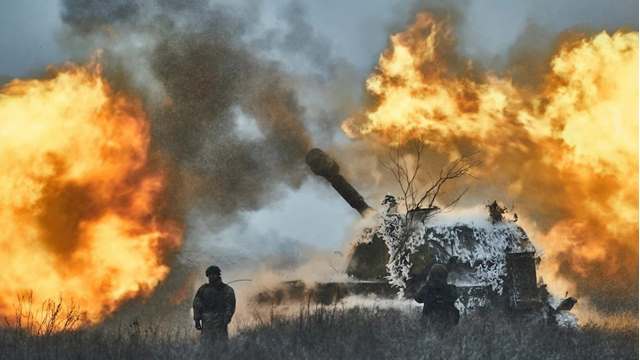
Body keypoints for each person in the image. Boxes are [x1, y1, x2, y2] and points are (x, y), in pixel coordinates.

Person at [193, 265, 236, 346]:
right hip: (206, 322)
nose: (211, 277)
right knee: (206, 346)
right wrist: (197, 320)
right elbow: (197, 305)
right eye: (209, 275)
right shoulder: (203, 289)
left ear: (218, 275)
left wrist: (227, 319)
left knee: (222, 346)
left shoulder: (226, 289)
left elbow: (230, 306)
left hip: (220, 322)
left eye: (214, 274)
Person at [414, 263, 459, 331]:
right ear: (445, 275)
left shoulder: (427, 288)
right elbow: (455, 297)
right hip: (447, 322)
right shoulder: (451, 288)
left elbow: (417, 299)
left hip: (429, 322)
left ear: (431, 275)